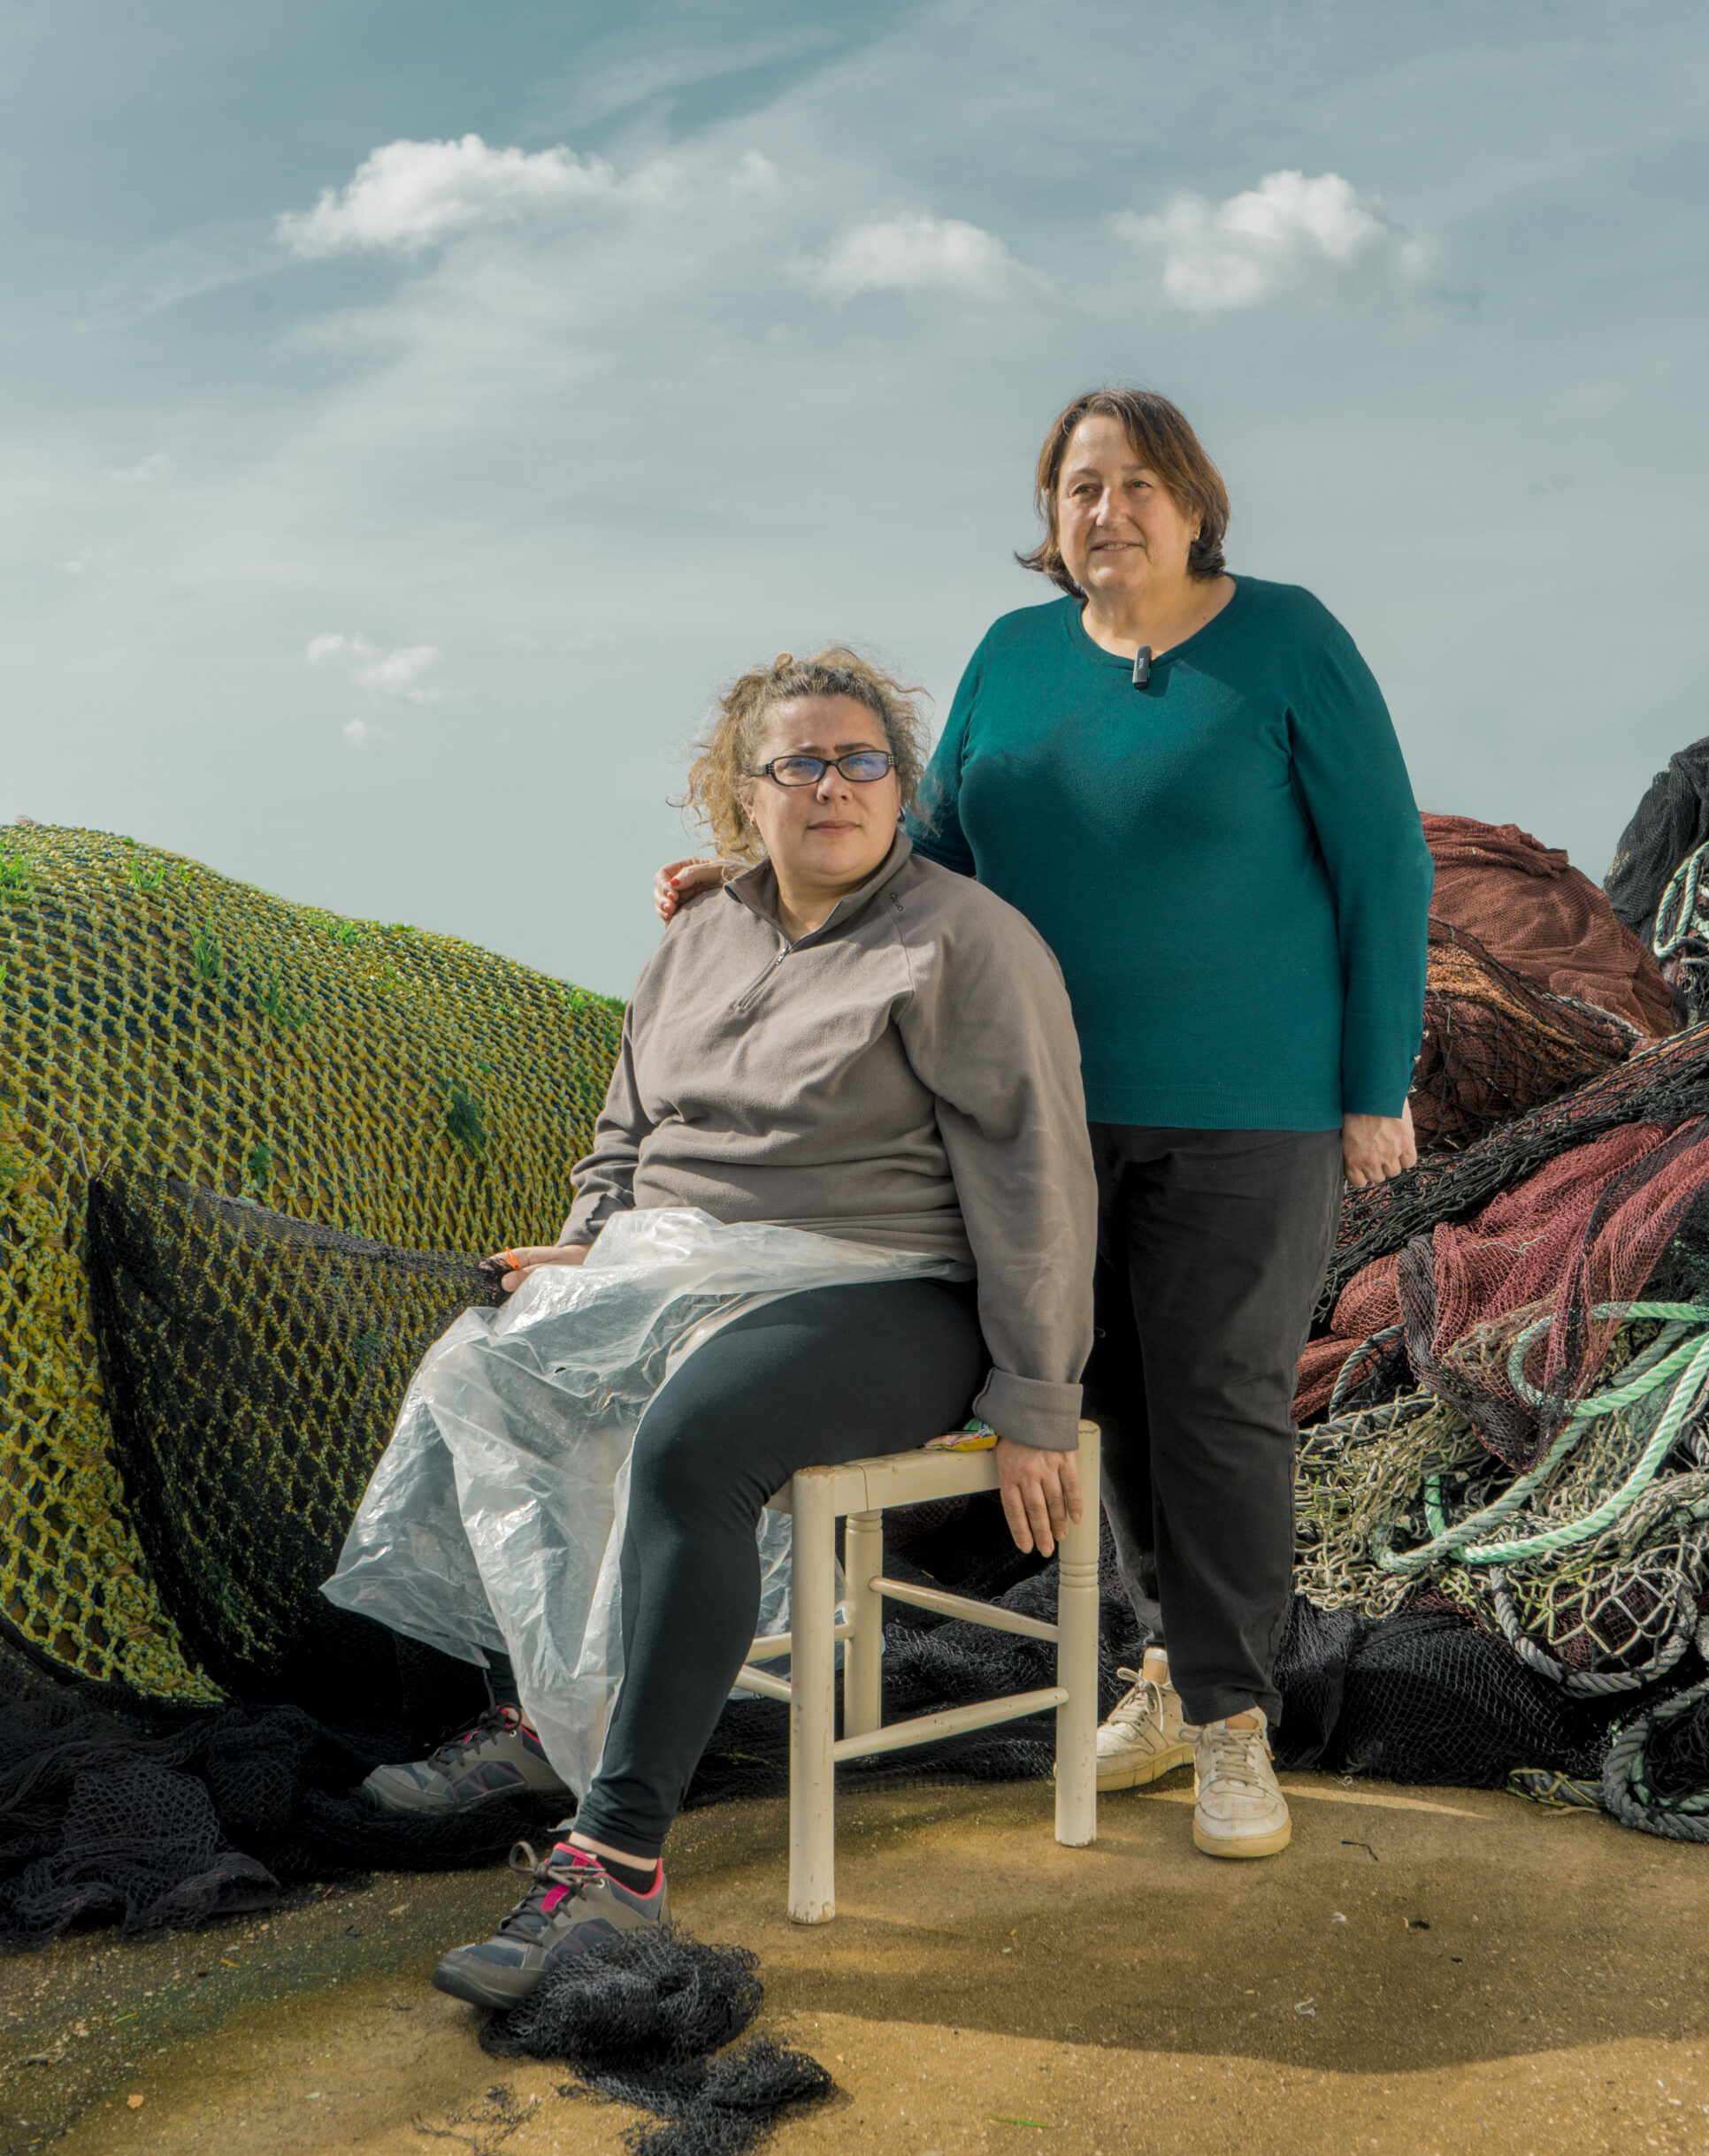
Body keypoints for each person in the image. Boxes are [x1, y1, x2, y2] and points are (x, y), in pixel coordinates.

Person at [656, 391, 1433, 1863]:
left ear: (1197, 504)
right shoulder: (1013, 661)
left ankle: (1233, 1727)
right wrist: (751, 881)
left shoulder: (1289, 642)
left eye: (1139, 484)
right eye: (1081, 486)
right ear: (1052, 516)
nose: (1108, 509)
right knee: (1107, 1402)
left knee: (1216, 1400)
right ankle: (1163, 1667)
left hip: (1243, 1112)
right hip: (1037, 1112)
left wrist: (1371, 1084)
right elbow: (920, 847)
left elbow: (1384, 862)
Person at [361, 648, 1095, 2011]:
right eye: (799, 763)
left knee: (695, 1441)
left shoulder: (964, 941)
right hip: (677, 1263)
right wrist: (583, 1258)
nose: (834, 785)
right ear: (739, 797)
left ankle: (619, 1862)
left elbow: (1036, 1176)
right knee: (501, 1369)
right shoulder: (696, 935)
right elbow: (628, 1134)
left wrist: (1036, 1395)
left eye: (863, 760)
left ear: (900, 788)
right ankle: (543, 1714)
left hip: (890, 1286)